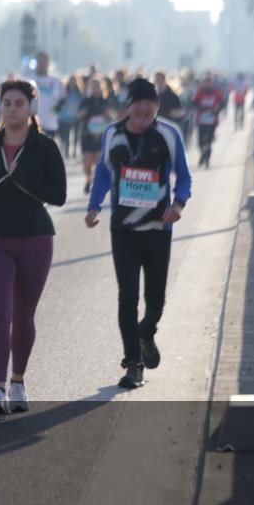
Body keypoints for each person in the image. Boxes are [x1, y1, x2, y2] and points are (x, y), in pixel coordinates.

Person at [0, 80, 66, 414]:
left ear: (31, 107)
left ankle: (18, 381)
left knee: (23, 315)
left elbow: (59, 195)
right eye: (6, 102)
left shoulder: (45, 148)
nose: (12, 108)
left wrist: (21, 178)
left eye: (19, 103)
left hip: (35, 238)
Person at [85, 78, 192, 389]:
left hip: (159, 228)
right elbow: (104, 172)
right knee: (127, 294)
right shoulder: (111, 133)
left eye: (150, 103)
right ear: (127, 106)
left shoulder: (169, 134)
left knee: (155, 300)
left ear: (157, 106)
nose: (144, 109)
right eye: (137, 102)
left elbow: (184, 176)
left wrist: (179, 204)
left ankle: (147, 330)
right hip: (124, 230)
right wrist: (94, 206)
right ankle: (134, 362)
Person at [77, 77, 114, 194]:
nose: (95, 88)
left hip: (100, 136)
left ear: (101, 87)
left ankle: (97, 183)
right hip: (87, 135)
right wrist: (83, 112)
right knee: (87, 162)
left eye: (97, 86)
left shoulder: (105, 102)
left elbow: (112, 117)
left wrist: (107, 115)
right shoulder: (85, 101)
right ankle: (89, 180)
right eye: (92, 86)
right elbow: (78, 115)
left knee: (99, 161)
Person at [191, 74, 224, 168]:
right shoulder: (199, 92)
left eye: (208, 82)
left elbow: (222, 103)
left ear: (211, 83)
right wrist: (200, 107)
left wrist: (217, 109)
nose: (207, 84)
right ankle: (202, 156)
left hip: (212, 120)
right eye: (205, 82)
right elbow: (193, 103)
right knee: (200, 142)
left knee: (208, 141)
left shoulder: (216, 92)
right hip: (201, 120)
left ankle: (207, 160)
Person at [30, 52, 63, 139]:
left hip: (50, 123)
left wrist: (56, 110)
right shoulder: (30, 79)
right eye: (40, 61)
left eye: (44, 62)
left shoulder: (56, 81)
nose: (42, 64)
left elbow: (61, 100)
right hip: (33, 122)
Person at [57, 74, 85, 159]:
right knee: (65, 135)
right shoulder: (65, 91)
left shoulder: (79, 92)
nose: (72, 82)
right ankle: (65, 151)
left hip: (76, 117)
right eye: (71, 80)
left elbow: (83, 103)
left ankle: (73, 152)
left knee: (76, 135)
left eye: (74, 80)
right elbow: (60, 102)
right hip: (65, 117)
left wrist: (80, 113)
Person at [153, 71, 187, 136]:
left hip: (169, 126)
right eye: (156, 80)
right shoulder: (152, 95)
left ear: (164, 80)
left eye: (160, 80)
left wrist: (176, 113)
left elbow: (182, 111)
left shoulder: (173, 96)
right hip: (155, 127)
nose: (158, 82)